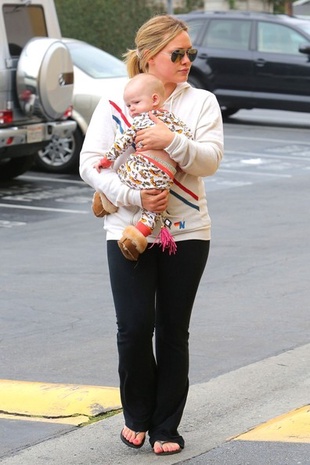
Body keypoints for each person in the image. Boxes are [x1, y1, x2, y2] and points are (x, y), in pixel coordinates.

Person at [79, 14, 224, 456]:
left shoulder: (201, 102)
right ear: (148, 57)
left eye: (189, 53)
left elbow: (210, 160)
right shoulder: (115, 104)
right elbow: (91, 163)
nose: (186, 61)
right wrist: (134, 196)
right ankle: (136, 414)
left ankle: (165, 427)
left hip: (188, 233)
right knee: (135, 327)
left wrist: (170, 139)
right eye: (176, 53)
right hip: (128, 229)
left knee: (172, 330)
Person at [92, 73, 193, 261]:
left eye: (136, 103)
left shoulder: (143, 120)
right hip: (164, 176)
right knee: (153, 210)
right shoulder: (175, 121)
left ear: (154, 99)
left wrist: (106, 160)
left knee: (122, 174)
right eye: (129, 105)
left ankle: (106, 200)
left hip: (141, 167)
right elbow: (188, 138)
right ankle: (137, 237)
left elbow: (122, 142)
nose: (131, 109)